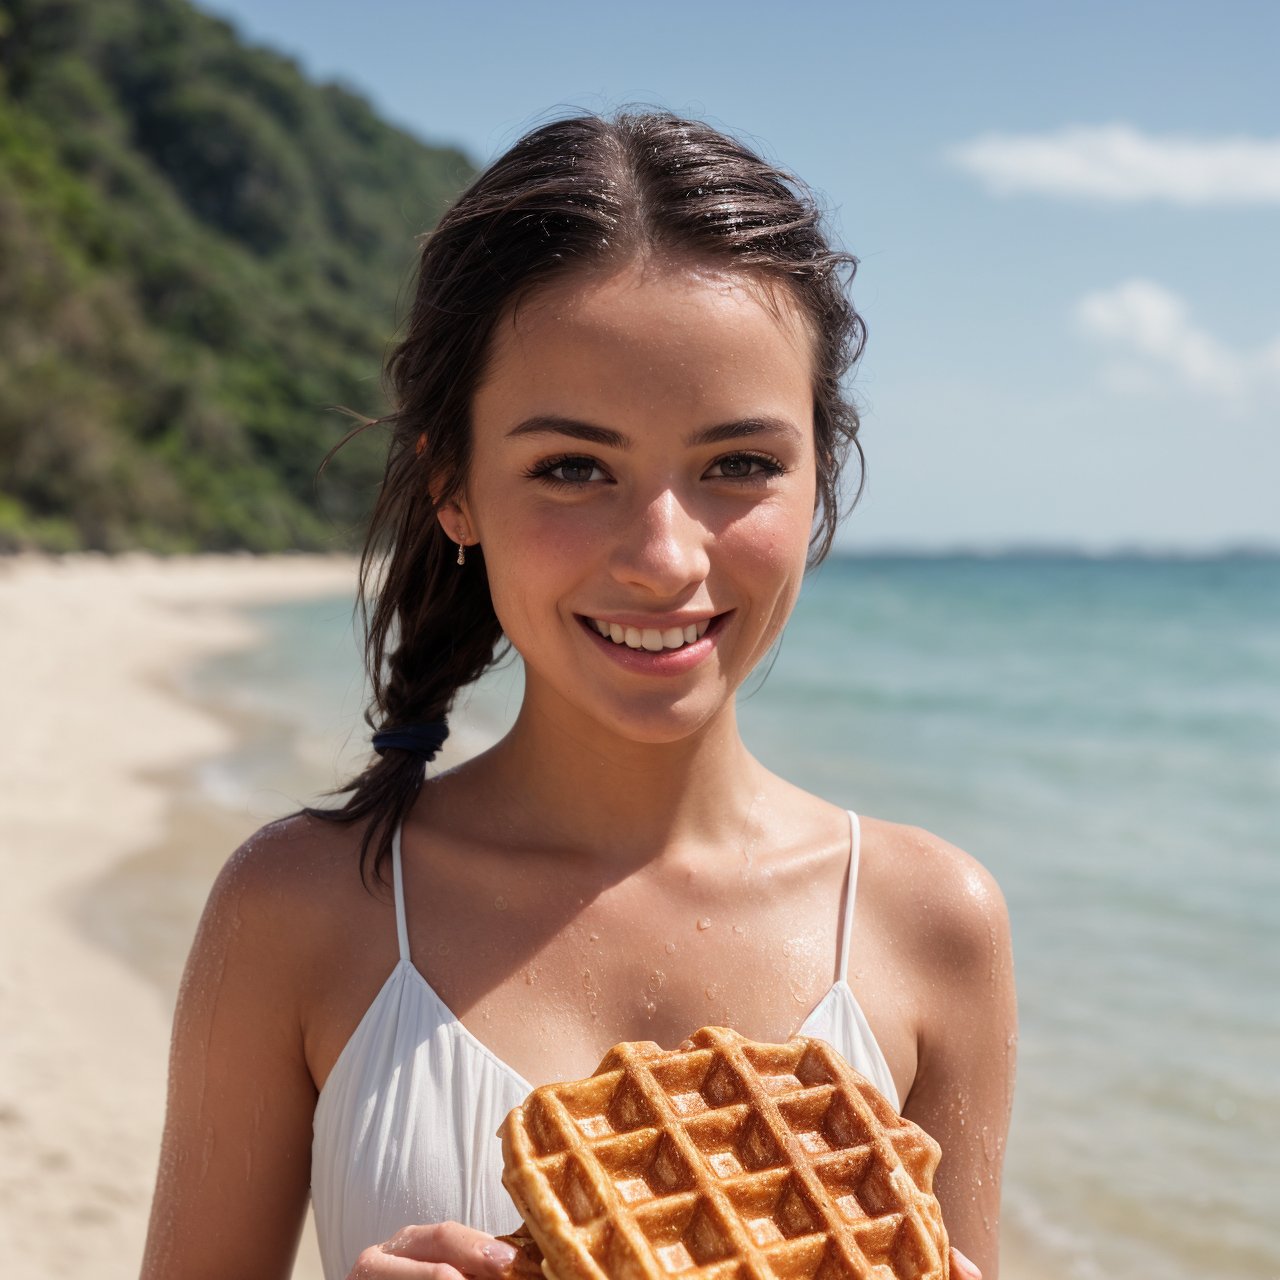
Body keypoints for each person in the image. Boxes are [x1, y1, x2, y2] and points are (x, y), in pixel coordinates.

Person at [140, 111, 1015, 1280]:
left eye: (738, 465)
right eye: (571, 468)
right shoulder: (301, 906)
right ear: (453, 488)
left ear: (816, 478)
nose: (663, 555)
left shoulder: (932, 921)